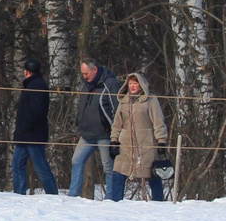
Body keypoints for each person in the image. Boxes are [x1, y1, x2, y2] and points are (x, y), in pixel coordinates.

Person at [107, 72, 168, 201]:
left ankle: (159, 203)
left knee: (152, 173)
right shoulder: (123, 101)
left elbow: (158, 122)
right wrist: (113, 140)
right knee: (118, 172)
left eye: (135, 83)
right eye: (130, 83)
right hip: (125, 145)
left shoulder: (151, 100)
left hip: (146, 144)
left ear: (141, 85)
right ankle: (115, 203)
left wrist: (161, 141)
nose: (132, 86)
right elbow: (117, 123)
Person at [68, 58, 121, 197]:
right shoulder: (85, 85)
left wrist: (115, 134)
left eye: (86, 73)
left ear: (95, 70)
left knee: (108, 167)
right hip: (86, 135)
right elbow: (81, 107)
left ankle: (111, 199)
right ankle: (73, 196)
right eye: (82, 74)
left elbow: (117, 109)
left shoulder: (110, 84)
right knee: (76, 161)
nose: (84, 77)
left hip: (105, 134)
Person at [12, 58, 59, 194]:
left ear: (27, 71)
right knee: (17, 163)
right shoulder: (33, 84)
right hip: (26, 134)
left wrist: (26, 126)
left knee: (41, 167)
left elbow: (36, 111)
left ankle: (53, 194)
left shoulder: (37, 86)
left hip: (33, 134)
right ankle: (19, 193)